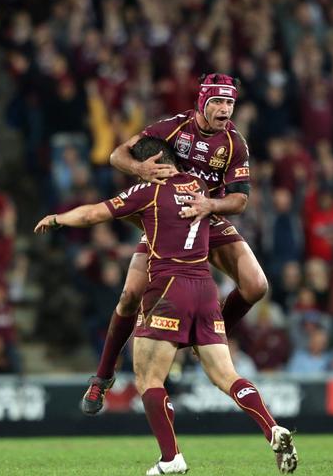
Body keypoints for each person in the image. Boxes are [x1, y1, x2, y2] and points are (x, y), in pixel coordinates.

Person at [34, 137, 297, 475]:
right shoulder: (200, 187)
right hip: (206, 289)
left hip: (169, 288)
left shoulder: (148, 191)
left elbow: (94, 214)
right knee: (227, 376)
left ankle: (171, 458)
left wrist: (58, 218)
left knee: (149, 379)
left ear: (152, 164)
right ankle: (273, 428)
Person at [81, 73, 269, 416]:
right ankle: (102, 376)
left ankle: (206, 338)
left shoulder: (235, 143)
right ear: (202, 102)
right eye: (218, 102)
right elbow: (116, 156)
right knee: (128, 296)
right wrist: (141, 168)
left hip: (207, 218)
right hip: (167, 222)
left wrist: (210, 205)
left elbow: (240, 201)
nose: (225, 109)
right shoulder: (173, 128)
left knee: (256, 285)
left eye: (230, 103)